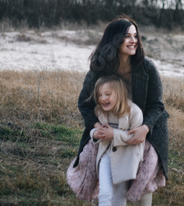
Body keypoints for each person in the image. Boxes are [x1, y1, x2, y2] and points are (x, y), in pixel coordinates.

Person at [70, 15, 168, 205]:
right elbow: (84, 102)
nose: (134, 41)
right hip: (108, 126)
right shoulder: (99, 68)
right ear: (115, 39)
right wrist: (99, 127)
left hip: (145, 128)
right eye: (128, 36)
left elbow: (157, 105)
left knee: (145, 172)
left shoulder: (147, 68)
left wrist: (145, 128)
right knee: (98, 166)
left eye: (135, 36)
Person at [90, 74, 145, 206]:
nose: (103, 98)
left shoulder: (134, 112)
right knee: (104, 192)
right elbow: (97, 131)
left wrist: (114, 134)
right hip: (106, 155)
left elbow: (136, 138)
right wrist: (95, 133)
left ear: (119, 94)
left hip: (125, 158)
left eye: (107, 94)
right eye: (100, 95)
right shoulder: (100, 111)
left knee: (119, 196)